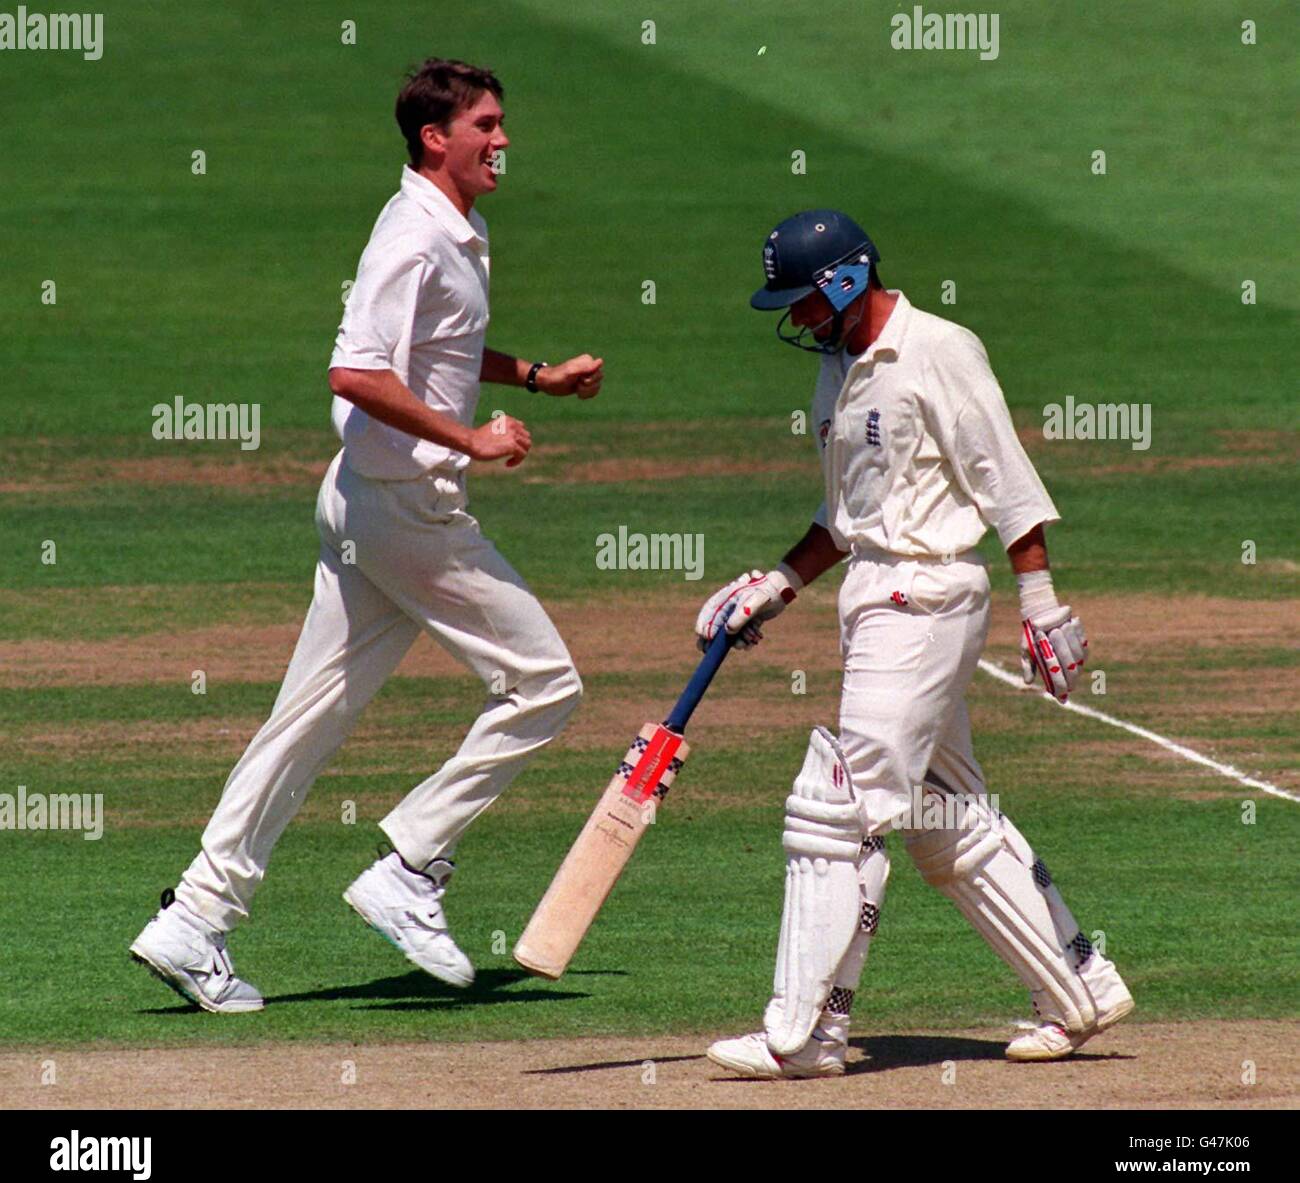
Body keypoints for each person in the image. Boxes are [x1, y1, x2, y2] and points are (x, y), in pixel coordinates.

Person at [131, 58, 604, 1012]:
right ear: (437, 138)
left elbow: (438, 356)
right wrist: (470, 436)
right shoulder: (412, 237)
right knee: (547, 684)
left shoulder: (456, 227)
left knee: (305, 723)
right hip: (406, 513)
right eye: (486, 125)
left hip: (365, 507)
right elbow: (355, 372)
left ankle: (195, 919)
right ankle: (412, 863)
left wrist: (535, 375)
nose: (503, 140)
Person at [701, 210, 1132, 1077]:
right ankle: (1080, 992)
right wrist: (778, 582)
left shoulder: (939, 349)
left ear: (848, 282)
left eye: (806, 303)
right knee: (946, 820)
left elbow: (1006, 482)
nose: (799, 322)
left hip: (926, 596)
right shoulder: (839, 369)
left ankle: (805, 1035)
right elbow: (846, 517)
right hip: (873, 598)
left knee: (837, 803)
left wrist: (1040, 602)